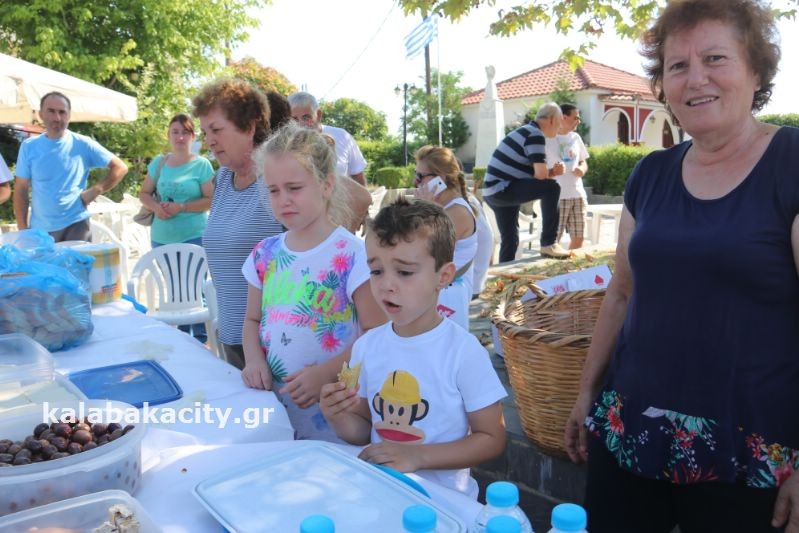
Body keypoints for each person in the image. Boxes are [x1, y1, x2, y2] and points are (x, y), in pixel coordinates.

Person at [563, 1, 799, 532]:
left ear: (756, 71)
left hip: (747, 449)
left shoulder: (791, 162)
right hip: (631, 428)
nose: (696, 79)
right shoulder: (650, 174)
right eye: (677, 65)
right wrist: (585, 392)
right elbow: (621, 293)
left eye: (715, 58)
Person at [320, 197, 507, 497]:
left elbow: (492, 437)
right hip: (384, 493)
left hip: (444, 503)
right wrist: (338, 416)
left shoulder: (463, 352)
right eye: (376, 271)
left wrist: (418, 456)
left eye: (404, 272)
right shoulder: (365, 347)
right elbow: (364, 429)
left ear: (443, 276)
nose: (386, 284)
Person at [241, 123, 385, 441]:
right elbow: (252, 320)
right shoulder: (264, 254)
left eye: (294, 188)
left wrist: (325, 374)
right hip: (277, 416)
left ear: (326, 185)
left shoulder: (353, 254)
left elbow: (376, 333)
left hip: (338, 417)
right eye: (274, 190)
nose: (283, 200)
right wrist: (253, 360)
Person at [193, 79, 283, 370]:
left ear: (250, 127)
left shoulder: (277, 178)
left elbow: (357, 198)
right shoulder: (222, 179)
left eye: (217, 130)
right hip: (231, 335)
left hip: (274, 344)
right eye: (205, 132)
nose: (210, 140)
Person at [13, 91, 128, 242]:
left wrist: (96, 190)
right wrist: (23, 230)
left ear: (69, 116)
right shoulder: (29, 146)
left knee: (79, 259)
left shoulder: (82, 144)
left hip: (76, 225)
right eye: (51, 111)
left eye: (62, 112)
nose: (57, 118)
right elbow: (20, 188)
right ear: (41, 114)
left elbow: (120, 167)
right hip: (40, 230)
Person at [482, 102, 570, 261]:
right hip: (503, 188)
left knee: (510, 239)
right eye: (559, 123)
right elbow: (541, 176)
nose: (559, 128)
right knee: (552, 188)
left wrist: (552, 172)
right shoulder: (535, 134)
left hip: (492, 191)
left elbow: (534, 174)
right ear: (551, 120)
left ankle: (503, 272)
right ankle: (549, 243)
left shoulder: (525, 131)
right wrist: (552, 173)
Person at [413, 145, 478, 329]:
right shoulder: (444, 207)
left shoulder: (457, 212)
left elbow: (420, 247)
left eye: (420, 176)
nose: (415, 181)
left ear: (439, 179)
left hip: (449, 295)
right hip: (439, 289)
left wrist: (424, 208)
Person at [139, 113, 214, 248]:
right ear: (168, 135)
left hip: (195, 237)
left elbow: (211, 201)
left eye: (185, 132)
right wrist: (156, 208)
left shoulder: (202, 165)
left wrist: (181, 207)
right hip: (161, 238)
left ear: (193, 137)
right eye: (175, 132)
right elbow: (144, 194)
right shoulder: (158, 163)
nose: (180, 137)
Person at [288, 91, 367, 186]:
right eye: (295, 119)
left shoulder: (342, 136)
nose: (300, 124)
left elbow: (358, 176)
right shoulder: (285, 144)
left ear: (318, 115)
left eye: (306, 117)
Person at [546, 103, 589, 249]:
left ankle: (572, 263)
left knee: (579, 238)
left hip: (578, 194)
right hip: (557, 197)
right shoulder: (548, 138)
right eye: (576, 118)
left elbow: (583, 161)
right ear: (564, 117)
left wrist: (582, 169)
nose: (579, 121)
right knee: (553, 241)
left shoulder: (576, 137)